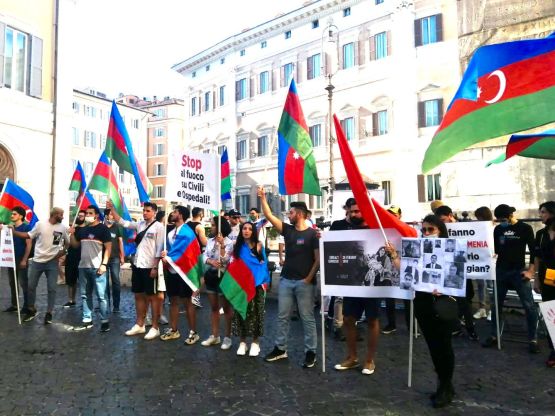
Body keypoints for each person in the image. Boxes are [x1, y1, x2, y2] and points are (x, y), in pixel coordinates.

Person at [388, 215, 457, 408]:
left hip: (443, 303)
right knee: (434, 346)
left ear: (440, 230)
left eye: (430, 229)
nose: (426, 233)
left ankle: (446, 385)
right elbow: (406, 270)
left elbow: (457, 276)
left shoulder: (451, 249)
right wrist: (394, 255)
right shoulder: (417, 248)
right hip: (423, 302)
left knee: (444, 346)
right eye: (424, 229)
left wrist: (444, 287)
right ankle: (443, 384)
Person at [259, 187, 320, 368]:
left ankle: (311, 352)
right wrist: (262, 198)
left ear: (300, 214)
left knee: (307, 317)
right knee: (282, 316)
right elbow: (269, 216)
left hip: (305, 283)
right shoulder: (288, 230)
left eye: (291, 212)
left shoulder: (312, 234)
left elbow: (317, 260)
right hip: (286, 281)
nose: (288, 214)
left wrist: (309, 278)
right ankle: (280, 348)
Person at [482, 204, 539, 353]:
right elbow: (497, 250)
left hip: (519, 271)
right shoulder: (498, 229)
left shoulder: (525, 228)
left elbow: (533, 252)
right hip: (501, 270)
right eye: (499, 220)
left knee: (529, 305)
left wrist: (531, 271)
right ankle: (494, 335)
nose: (501, 222)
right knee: (496, 304)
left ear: (511, 216)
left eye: (503, 219)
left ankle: (533, 338)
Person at [107, 200, 165, 340]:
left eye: (148, 211)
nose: (145, 213)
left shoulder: (159, 227)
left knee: (153, 297)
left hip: (150, 266)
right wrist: (112, 209)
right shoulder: (139, 224)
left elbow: (159, 248)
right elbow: (123, 222)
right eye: (144, 210)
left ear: (154, 212)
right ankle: (140, 324)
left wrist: (155, 266)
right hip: (138, 265)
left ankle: (155, 327)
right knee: (138, 295)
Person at [7, 207, 69, 324]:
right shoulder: (40, 224)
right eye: (61, 215)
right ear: (54, 214)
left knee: (52, 288)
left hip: (52, 263)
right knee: (30, 286)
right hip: (37, 261)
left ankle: (49, 312)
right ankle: (31, 309)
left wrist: (63, 252)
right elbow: (28, 236)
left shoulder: (63, 228)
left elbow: (67, 243)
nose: (63, 217)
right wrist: (14, 232)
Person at [435, 205, 477, 340]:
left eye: (443, 219)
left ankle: (470, 329)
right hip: (447, 268)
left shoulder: (463, 226)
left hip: (461, 269)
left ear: (450, 215)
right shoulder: (440, 229)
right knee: (447, 301)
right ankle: (455, 327)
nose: (442, 223)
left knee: (465, 301)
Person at [160, 206, 201, 345]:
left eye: (176, 212)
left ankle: (193, 332)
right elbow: (172, 250)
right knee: (173, 301)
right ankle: (173, 329)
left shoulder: (188, 233)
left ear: (181, 215)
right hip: (172, 271)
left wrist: (170, 257)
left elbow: (188, 253)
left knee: (188, 302)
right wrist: (166, 255)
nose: (172, 213)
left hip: (185, 273)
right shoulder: (171, 233)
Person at [70, 205, 112, 332]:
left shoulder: (103, 229)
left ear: (96, 215)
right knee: (85, 295)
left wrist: (104, 264)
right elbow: (75, 245)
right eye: (86, 213)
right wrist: (72, 235)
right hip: (83, 266)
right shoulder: (83, 230)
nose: (87, 215)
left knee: (101, 296)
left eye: (90, 213)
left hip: (97, 267)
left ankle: (104, 320)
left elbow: (108, 248)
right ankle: (87, 319)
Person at [232, 222, 269, 356]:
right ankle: (242, 342)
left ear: (253, 231)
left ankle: (255, 342)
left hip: (256, 285)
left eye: (249, 229)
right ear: (241, 231)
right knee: (241, 313)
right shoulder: (237, 246)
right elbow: (232, 263)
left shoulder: (259, 245)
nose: (246, 231)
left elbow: (263, 265)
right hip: (241, 286)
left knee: (256, 313)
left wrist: (265, 282)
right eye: (244, 229)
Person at [201, 216, 234, 349]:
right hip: (211, 275)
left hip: (224, 277)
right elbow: (205, 256)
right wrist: (210, 261)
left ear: (220, 227)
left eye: (214, 225)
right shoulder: (209, 241)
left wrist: (222, 246)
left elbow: (225, 259)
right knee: (214, 307)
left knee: (226, 308)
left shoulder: (229, 242)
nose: (212, 227)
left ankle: (227, 337)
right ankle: (214, 335)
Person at [532, 201, 555, 367]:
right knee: (551, 314)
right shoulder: (540, 234)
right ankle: (554, 349)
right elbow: (537, 257)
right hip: (548, 279)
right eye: (540, 212)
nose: (540, 215)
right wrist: (536, 278)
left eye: (544, 212)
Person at [2, 207, 32, 314]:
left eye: (14, 214)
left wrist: (24, 259)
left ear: (21, 216)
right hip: (10, 258)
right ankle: (15, 304)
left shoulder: (26, 227)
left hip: (21, 258)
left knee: (24, 283)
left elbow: (29, 244)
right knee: (12, 282)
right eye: (11, 214)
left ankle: (27, 306)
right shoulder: (10, 228)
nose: (11, 216)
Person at [473, 206, 494, 320]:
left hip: (489, 259)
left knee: (490, 285)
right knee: (481, 284)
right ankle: (482, 308)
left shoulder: (493, 227)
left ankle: (491, 309)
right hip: (479, 259)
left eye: (479, 217)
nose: (477, 220)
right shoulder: (478, 227)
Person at [63, 209, 86, 308]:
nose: (79, 217)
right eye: (78, 216)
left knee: (83, 281)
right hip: (71, 257)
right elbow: (67, 244)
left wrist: (72, 234)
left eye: (81, 216)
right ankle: (71, 300)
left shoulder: (86, 230)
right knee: (70, 280)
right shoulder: (73, 229)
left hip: (82, 258)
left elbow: (76, 245)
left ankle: (85, 301)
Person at [104, 208, 124, 313]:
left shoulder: (117, 227)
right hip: (103, 259)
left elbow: (120, 242)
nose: (112, 216)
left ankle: (116, 305)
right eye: (111, 214)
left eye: (113, 215)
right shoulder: (102, 227)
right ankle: (105, 303)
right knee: (104, 282)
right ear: (106, 216)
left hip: (115, 258)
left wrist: (122, 256)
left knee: (116, 281)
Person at [187, 207, 207, 309]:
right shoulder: (199, 226)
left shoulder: (186, 225)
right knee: (201, 278)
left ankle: (192, 297)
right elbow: (204, 242)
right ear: (201, 214)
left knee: (189, 277)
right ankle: (194, 296)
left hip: (186, 254)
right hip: (196, 254)